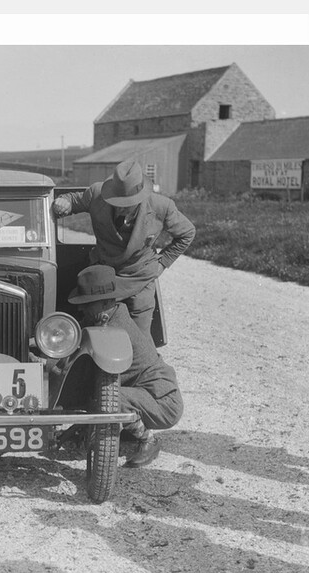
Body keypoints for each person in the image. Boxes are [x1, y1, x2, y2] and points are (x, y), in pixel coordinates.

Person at [53, 159, 195, 338]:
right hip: (103, 279)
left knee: (140, 339)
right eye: (115, 202)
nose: (120, 209)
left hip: (140, 277)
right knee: (95, 335)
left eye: (126, 204)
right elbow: (72, 200)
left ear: (140, 197)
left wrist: (162, 263)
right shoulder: (96, 194)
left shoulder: (161, 206)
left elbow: (187, 233)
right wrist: (63, 202)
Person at [68, 264, 184, 467]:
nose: (81, 308)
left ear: (106, 302)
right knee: (104, 395)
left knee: (111, 398)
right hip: (147, 394)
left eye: (87, 303)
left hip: (164, 402)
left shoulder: (115, 328)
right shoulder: (109, 315)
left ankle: (148, 440)